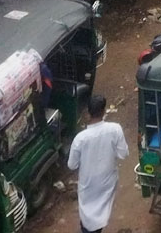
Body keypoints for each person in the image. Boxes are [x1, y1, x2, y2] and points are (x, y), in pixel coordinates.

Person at [67, 94, 129, 233]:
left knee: (88, 219)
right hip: (107, 182)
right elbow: (123, 154)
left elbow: (72, 165)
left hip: (88, 186)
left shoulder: (80, 139)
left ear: (88, 113)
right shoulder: (115, 129)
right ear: (104, 111)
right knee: (101, 215)